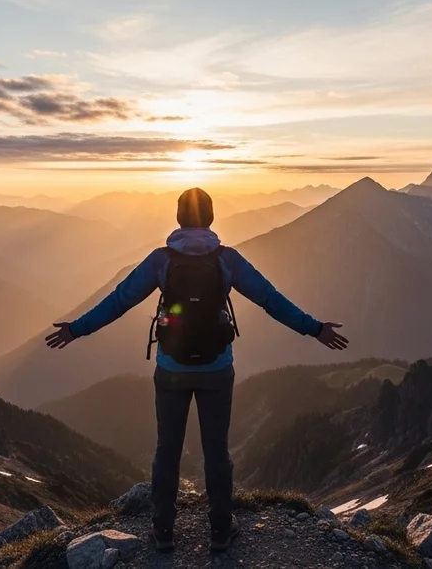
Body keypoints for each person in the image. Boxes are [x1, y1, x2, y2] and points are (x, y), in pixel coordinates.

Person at [45, 187, 348, 553]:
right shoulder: (228, 260)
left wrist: (77, 329)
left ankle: (163, 530)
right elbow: (270, 299)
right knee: (217, 451)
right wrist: (314, 328)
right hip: (217, 369)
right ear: (211, 218)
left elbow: (120, 300)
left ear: (177, 219)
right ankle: (221, 530)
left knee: (166, 450)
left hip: (171, 369)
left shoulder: (161, 260)